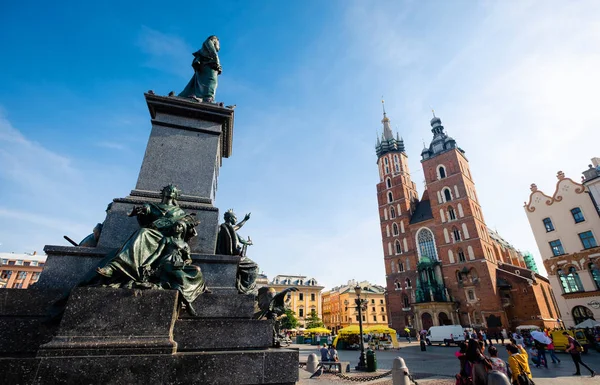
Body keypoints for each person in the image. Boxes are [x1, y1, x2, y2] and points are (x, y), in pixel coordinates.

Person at [179, 35, 222, 103]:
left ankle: (201, 97)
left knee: (200, 83)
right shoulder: (210, 42)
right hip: (209, 65)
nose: (219, 48)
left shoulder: (204, 50)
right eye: (218, 44)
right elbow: (210, 46)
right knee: (212, 81)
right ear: (214, 40)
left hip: (206, 65)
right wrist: (216, 60)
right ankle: (208, 98)